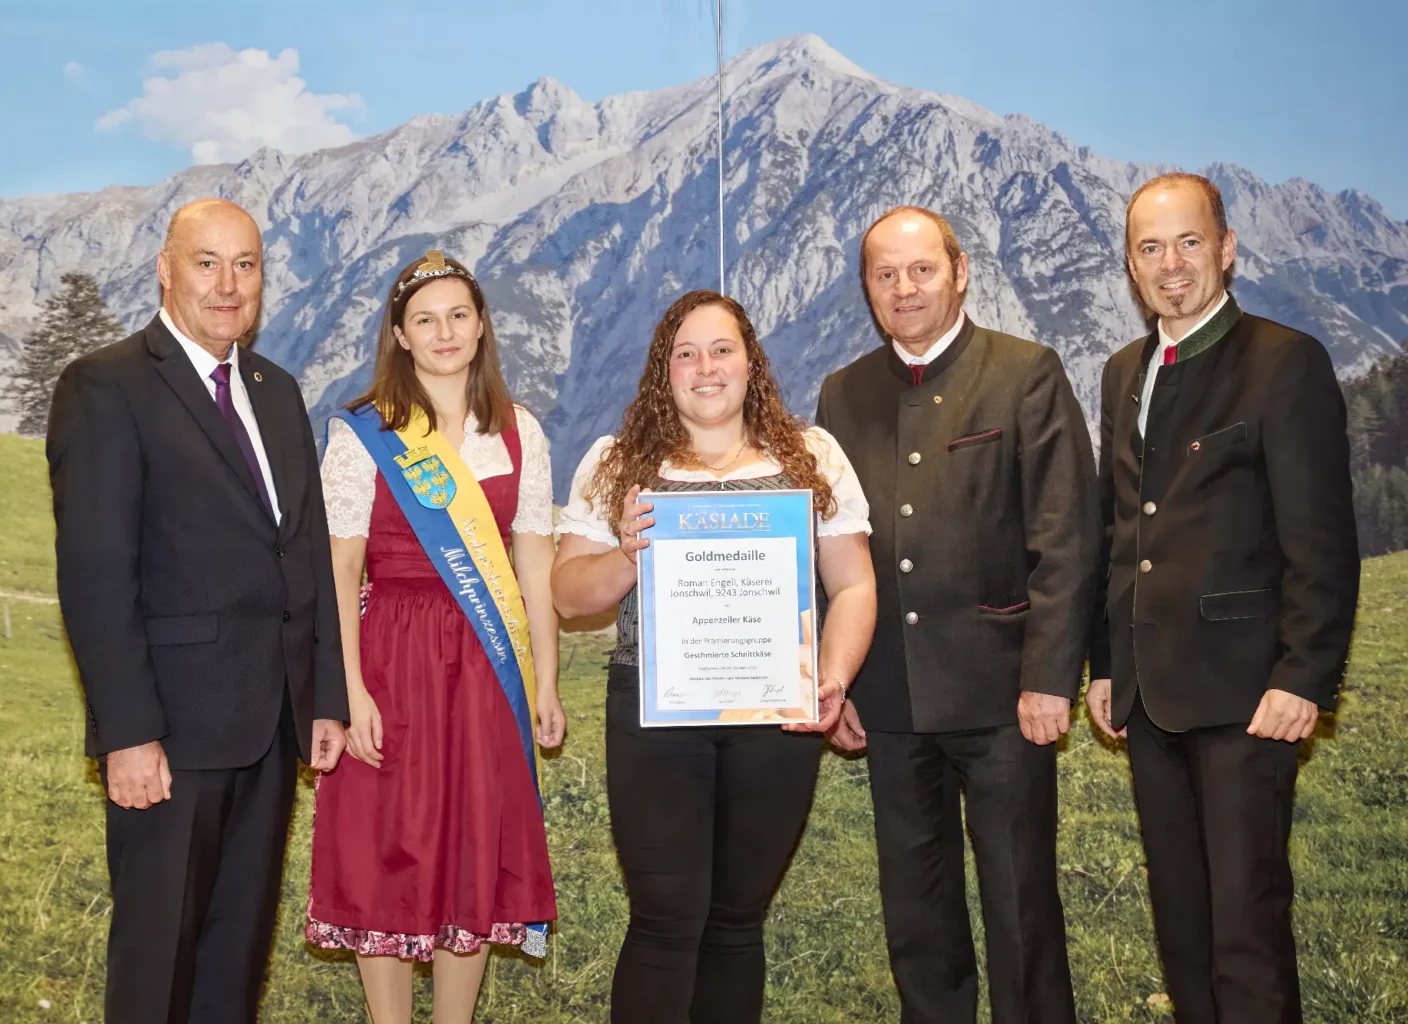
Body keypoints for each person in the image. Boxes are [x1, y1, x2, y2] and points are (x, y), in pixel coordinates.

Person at [46, 197, 348, 1023]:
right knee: (158, 964)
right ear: (165, 271)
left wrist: (324, 695)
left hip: (270, 727)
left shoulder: (276, 391)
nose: (227, 284)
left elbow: (307, 550)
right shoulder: (105, 386)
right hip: (170, 737)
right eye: (206, 262)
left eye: (245, 265)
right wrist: (129, 733)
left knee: (233, 962)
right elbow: (97, 579)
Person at [551, 289, 878, 1023]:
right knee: (665, 919)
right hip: (655, 712)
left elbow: (854, 584)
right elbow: (570, 595)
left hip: (776, 711)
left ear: (751, 363)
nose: (706, 367)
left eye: (721, 349)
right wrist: (630, 555)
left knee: (736, 919)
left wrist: (830, 677)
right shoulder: (617, 463)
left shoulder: (811, 455)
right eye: (686, 353)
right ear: (663, 372)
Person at [1087, 172, 1361, 1023]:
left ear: (1228, 248)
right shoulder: (1122, 370)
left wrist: (1304, 677)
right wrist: (1105, 664)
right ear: (1131, 268)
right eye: (1150, 248)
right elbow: (1119, 532)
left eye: (1189, 242)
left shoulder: (1286, 362)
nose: (1171, 265)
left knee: (1245, 930)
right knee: (1183, 929)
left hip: (1250, 697)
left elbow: (1322, 542)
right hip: (1147, 696)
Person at [816, 206, 1098, 1023]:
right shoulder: (843, 392)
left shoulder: (1024, 371)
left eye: (922, 270)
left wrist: (1051, 678)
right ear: (867, 288)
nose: (905, 289)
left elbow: (1067, 537)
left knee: (1021, 907)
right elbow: (829, 550)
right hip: (889, 698)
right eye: (885, 275)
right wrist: (838, 681)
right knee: (915, 912)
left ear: (960, 270)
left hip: (1006, 695)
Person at [305, 251, 564, 1024]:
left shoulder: (520, 432)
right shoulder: (364, 433)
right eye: (425, 319)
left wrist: (546, 679)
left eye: (458, 315)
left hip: (486, 664)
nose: (444, 331)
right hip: (389, 655)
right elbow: (338, 566)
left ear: (482, 326)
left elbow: (535, 561)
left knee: (472, 844)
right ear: (400, 334)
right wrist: (347, 692)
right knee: (385, 841)